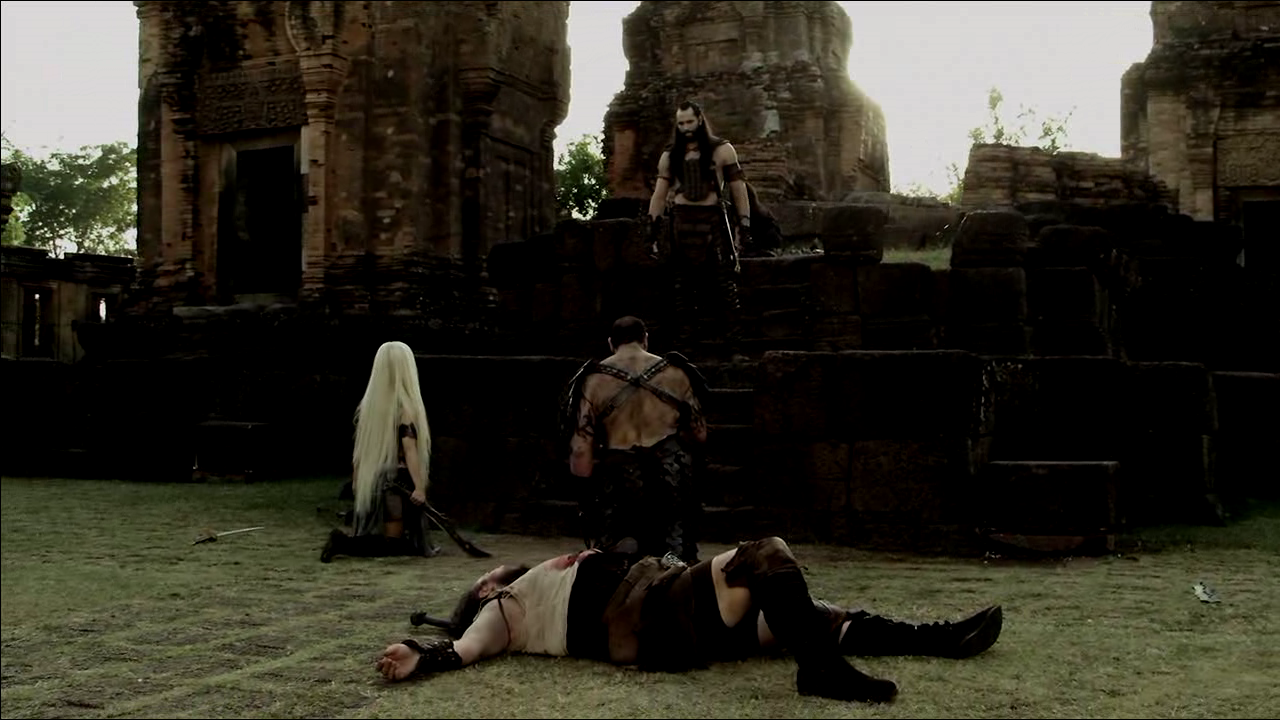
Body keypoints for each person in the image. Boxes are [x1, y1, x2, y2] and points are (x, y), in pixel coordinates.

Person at [376, 536, 1004, 705]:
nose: (493, 573)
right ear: (485, 591)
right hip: (652, 615)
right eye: (486, 579)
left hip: (668, 616)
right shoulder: (503, 606)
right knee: (766, 554)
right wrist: (422, 652)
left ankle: (943, 640)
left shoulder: (543, 578)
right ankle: (819, 671)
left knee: (806, 613)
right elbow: (467, 647)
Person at [321, 341, 489, 562]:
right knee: (393, 542)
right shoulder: (404, 409)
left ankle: (349, 543)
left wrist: (356, 479)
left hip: (374, 478)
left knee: (396, 539)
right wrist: (419, 487)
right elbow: (410, 450)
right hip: (394, 482)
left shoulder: (369, 409)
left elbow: (360, 451)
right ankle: (342, 543)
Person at [562, 316, 709, 565]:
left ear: (611, 343)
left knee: (615, 564)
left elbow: (580, 453)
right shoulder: (677, 373)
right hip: (671, 479)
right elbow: (699, 433)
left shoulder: (593, 381)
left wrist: (586, 497)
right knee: (678, 562)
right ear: (645, 339)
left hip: (618, 483)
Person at [646, 101, 752, 345]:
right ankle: (687, 343)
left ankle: (733, 344)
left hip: (713, 219)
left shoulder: (722, 150)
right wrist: (651, 229)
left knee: (725, 284)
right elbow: (659, 195)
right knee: (681, 286)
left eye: (689, 122)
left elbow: (739, 189)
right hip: (681, 222)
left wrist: (744, 224)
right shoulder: (670, 156)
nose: (685, 128)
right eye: (681, 123)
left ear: (700, 119)